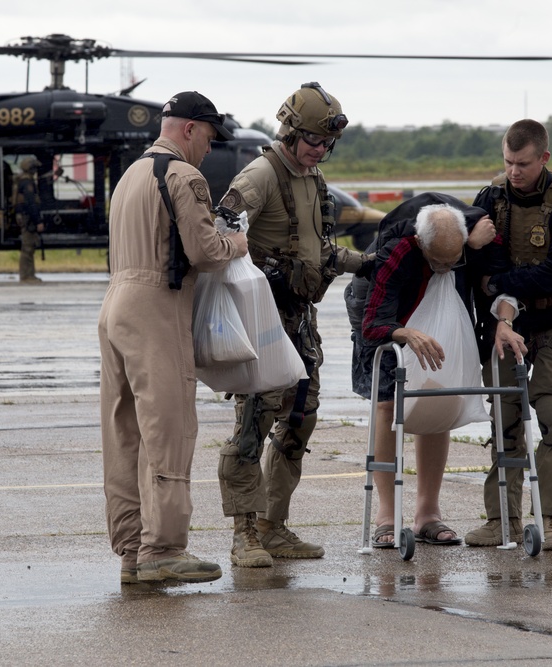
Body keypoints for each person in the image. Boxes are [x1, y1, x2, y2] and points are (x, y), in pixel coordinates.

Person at [216, 82, 372, 568]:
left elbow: (320, 252)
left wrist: (368, 263)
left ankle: (273, 526)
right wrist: (260, 277)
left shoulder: (314, 180)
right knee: (252, 423)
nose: (320, 150)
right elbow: (223, 230)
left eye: (327, 144)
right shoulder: (261, 174)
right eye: (313, 141)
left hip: (301, 319)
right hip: (264, 319)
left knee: (300, 419)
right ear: (289, 131)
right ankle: (244, 533)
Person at [98, 91, 248, 584]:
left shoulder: (131, 176)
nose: (209, 148)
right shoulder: (183, 174)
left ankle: (131, 552)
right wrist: (239, 242)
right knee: (169, 427)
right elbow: (204, 251)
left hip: (115, 304)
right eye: (207, 136)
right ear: (188, 129)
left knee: (126, 434)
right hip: (156, 308)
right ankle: (162, 548)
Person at [349, 199, 526, 548]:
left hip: (442, 313)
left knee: (438, 401)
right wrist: (404, 333)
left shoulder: (479, 239)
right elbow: (372, 322)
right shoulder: (398, 249)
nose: (446, 268)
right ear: (419, 242)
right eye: (438, 261)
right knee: (387, 405)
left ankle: (427, 513)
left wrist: (502, 321)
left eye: (453, 261)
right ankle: (387, 515)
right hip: (384, 314)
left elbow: (503, 283)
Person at [465, 118, 552, 551]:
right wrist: (501, 300)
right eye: (508, 161)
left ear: (544, 158)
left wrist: (506, 287)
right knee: (505, 421)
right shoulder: (491, 198)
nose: (514, 171)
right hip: (506, 326)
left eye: (523, 163)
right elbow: (479, 266)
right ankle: (502, 520)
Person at [15, 157, 44, 283]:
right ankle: (26, 276)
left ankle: (29, 274)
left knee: (29, 247)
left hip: (26, 218)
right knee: (27, 248)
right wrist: (38, 221)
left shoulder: (22, 181)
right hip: (29, 219)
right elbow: (31, 203)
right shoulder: (27, 183)